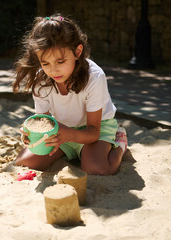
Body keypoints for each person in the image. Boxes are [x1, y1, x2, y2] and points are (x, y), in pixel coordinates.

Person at [12, 14, 128, 175]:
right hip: (61, 130)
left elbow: (93, 132)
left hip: (95, 130)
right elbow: (43, 121)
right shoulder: (41, 80)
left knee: (98, 168)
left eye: (60, 61)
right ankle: (73, 152)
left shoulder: (94, 77)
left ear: (77, 51)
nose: (53, 70)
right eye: (45, 63)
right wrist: (32, 135)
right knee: (25, 162)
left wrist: (68, 135)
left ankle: (120, 143)